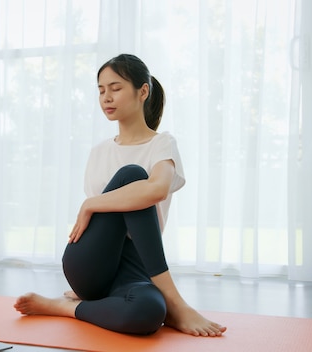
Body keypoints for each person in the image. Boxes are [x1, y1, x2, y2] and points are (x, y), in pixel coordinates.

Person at [14, 54, 226, 337]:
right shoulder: (99, 152)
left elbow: (157, 189)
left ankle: (64, 307)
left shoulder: (162, 144)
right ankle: (175, 302)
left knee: (149, 313)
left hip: (138, 265)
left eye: (115, 88)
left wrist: (91, 203)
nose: (106, 98)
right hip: (91, 262)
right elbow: (107, 221)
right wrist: (93, 206)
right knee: (132, 175)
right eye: (101, 90)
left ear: (143, 91)